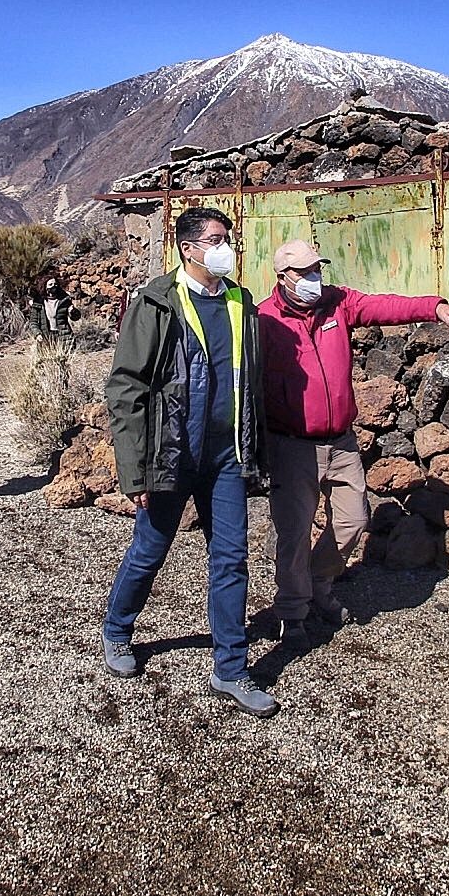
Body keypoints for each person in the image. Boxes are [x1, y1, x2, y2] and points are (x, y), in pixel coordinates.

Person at [100, 206, 277, 717]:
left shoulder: (242, 303)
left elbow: (251, 384)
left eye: (230, 239)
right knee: (149, 551)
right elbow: (126, 387)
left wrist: (257, 450)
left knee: (232, 558)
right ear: (189, 248)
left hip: (227, 455)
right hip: (173, 453)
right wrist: (135, 469)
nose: (228, 248)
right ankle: (117, 631)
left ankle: (231, 669)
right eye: (218, 240)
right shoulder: (157, 303)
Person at [257, 239, 449, 644]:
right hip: (291, 445)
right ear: (283, 276)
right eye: (304, 273)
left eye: (316, 269)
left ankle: (320, 582)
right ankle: (293, 613)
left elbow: (386, 307)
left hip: (341, 441)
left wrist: (434, 307)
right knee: (294, 532)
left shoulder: (337, 303)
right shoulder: (264, 321)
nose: (314, 279)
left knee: (354, 520)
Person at [35, 276, 79, 346]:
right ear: (44, 286)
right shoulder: (38, 302)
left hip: (64, 337)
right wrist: (37, 334)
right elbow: (33, 322)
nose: (53, 286)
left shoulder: (64, 300)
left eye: (55, 284)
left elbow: (75, 318)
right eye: (50, 285)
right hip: (46, 338)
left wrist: (73, 312)